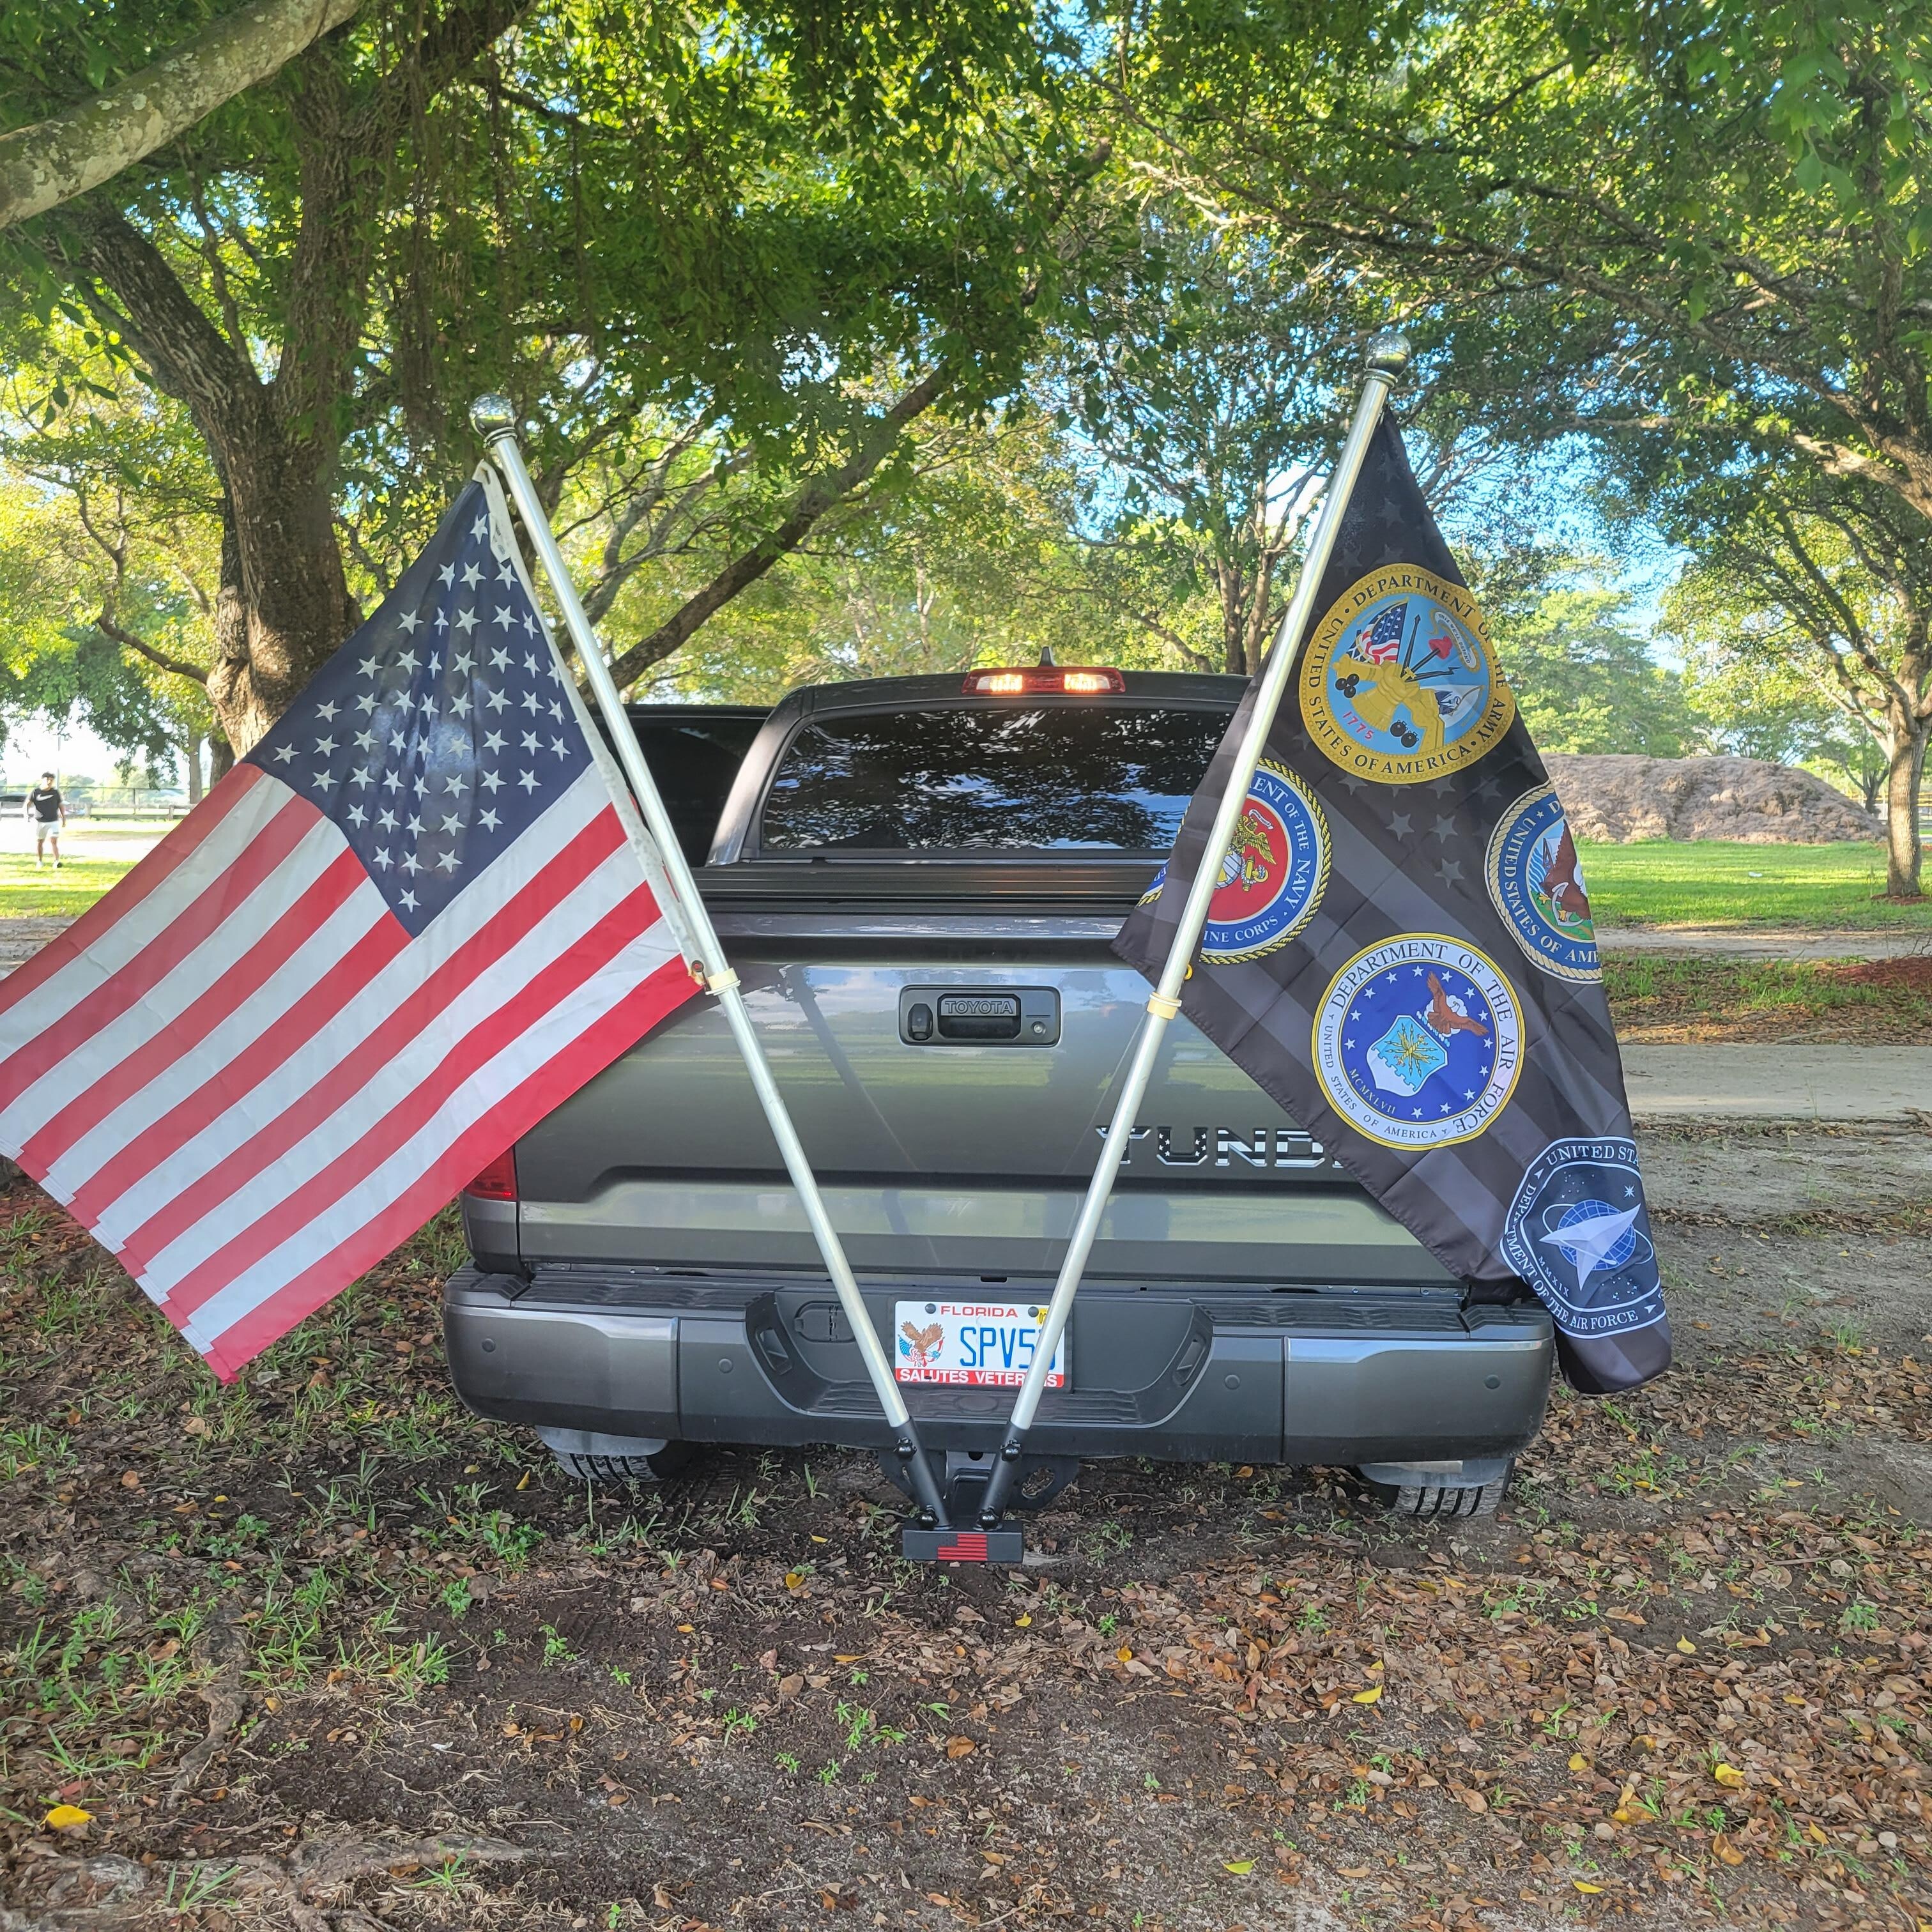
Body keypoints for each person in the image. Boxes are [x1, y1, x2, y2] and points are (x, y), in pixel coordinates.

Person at [25, 772, 65, 869]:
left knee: (54, 841)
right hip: (40, 821)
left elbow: (61, 806)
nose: (49, 782)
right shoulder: (36, 792)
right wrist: (26, 816)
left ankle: (56, 862)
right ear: (42, 780)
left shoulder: (55, 793)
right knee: (40, 841)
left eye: (51, 780)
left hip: (53, 821)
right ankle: (39, 861)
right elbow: (27, 804)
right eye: (47, 780)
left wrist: (64, 819)